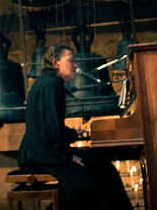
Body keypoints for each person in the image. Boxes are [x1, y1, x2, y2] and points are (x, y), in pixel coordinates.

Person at [18, 44, 132, 210]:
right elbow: (50, 130)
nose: (76, 65)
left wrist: (71, 135)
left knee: (100, 165)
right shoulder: (50, 85)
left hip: (43, 150)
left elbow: (50, 126)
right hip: (43, 154)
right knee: (96, 172)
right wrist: (67, 156)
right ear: (56, 63)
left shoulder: (49, 83)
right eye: (71, 61)